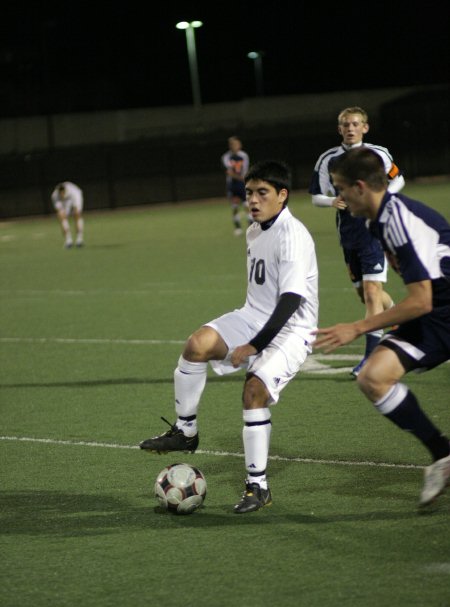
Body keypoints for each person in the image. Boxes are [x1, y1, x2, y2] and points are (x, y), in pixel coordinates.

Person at [139, 160, 319, 513]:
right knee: (197, 345)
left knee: (254, 391)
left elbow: (291, 300)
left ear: (282, 196)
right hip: (252, 316)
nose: (252, 199)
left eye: (262, 193)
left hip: (292, 329)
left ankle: (258, 486)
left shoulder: (292, 235)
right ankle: (185, 430)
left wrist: (255, 345)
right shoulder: (255, 229)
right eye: (249, 192)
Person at [313, 147, 450, 507]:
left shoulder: (395, 220)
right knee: (373, 377)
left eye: (340, 188)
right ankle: (443, 455)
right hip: (438, 313)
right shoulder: (377, 219)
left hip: (438, 308)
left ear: (360, 187)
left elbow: (420, 301)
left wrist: (358, 327)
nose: (338, 197)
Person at [309, 106, 405, 377]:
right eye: (345, 125)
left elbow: (398, 180)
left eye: (355, 124)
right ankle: (398, 317)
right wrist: (332, 201)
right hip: (348, 235)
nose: (350, 128)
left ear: (365, 127)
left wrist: (381, 199)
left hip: (374, 231)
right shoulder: (328, 159)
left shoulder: (379, 154)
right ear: (339, 129)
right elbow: (316, 196)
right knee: (364, 294)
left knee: (373, 292)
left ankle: (372, 358)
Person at [221, 136, 252, 236]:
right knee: (235, 206)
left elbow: (245, 170)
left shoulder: (244, 156)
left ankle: (251, 226)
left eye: (236, 144)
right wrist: (240, 178)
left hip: (242, 184)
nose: (234, 146)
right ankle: (238, 227)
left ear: (239, 145)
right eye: (232, 144)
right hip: (232, 185)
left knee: (247, 205)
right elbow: (229, 172)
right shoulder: (226, 157)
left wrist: (244, 179)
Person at [51, 181, 85, 248]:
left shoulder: (74, 192)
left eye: (63, 192)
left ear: (65, 190)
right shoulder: (54, 196)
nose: (61, 194)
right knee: (61, 216)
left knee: (77, 214)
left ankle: (79, 239)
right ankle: (68, 240)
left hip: (74, 197)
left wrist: (75, 211)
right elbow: (60, 211)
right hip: (64, 201)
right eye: (60, 192)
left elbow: (76, 210)